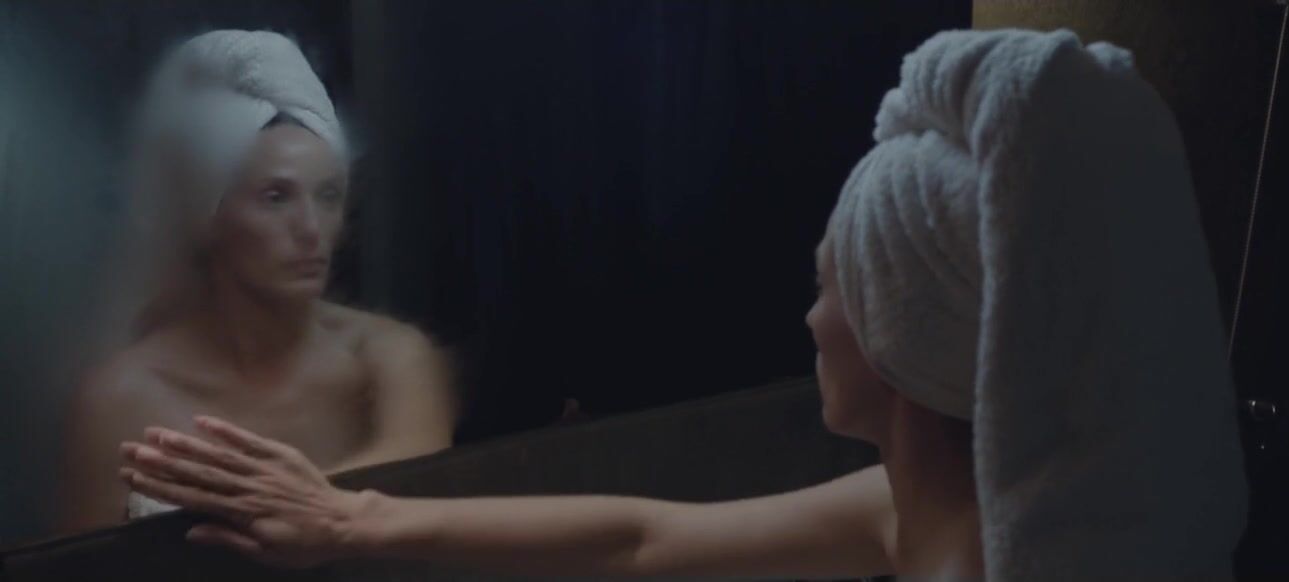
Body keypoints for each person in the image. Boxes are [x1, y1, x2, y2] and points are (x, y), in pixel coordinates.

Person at [117, 29, 1247, 581]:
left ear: (903, 333)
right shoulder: (934, 504)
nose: (809, 319)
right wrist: (350, 521)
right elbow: (642, 537)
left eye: (830, 287)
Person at [59, 30, 457, 533]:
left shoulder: (390, 359)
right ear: (208, 215)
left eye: (328, 195)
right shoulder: (122, 398)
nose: (311, 230)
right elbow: (83, 564)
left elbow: (419, 493)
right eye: (275, 197)